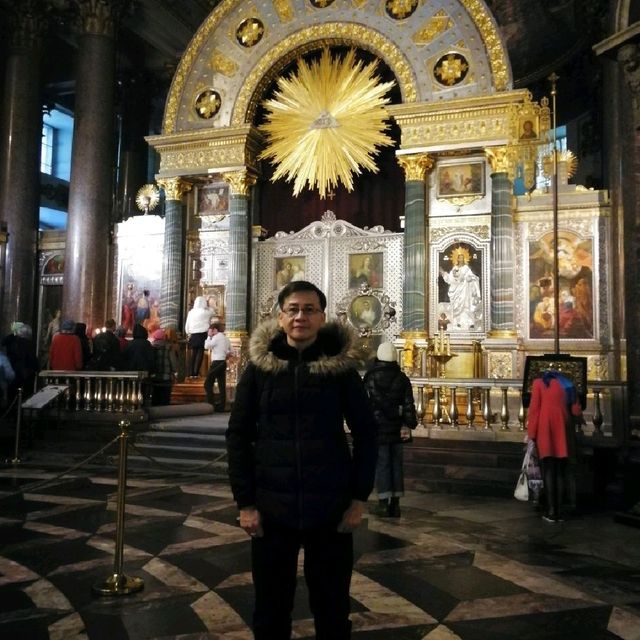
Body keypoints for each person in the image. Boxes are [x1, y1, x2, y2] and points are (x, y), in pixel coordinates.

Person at [226, 280, 377, 640]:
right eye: (293, 309)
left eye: (309, 309)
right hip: (271, 506)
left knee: (332, 607)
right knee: (270, 608)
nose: (300, 317)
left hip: (330, 507)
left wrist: (358, 498)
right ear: (280, 317)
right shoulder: (260, 370)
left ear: (322, 317)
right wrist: (245, 502)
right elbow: (238, 435)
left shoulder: (340, 370)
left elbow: (367, 433)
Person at [364, 342, 417, 518]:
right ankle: (396, 505)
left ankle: (383, 504)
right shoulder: (402, 378)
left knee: (382, 465)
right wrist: (409, 423)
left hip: (378, 428)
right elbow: (409, 405)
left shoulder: (371, 377)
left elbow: (366, 404)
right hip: (396, 428)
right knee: (396, 465)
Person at [527, 370, 583, 522]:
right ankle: (559, 511)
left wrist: (531, 434)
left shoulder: (539, 383)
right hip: (564, 429)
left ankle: (551, 511)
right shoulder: (568, 385)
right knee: (561, 470)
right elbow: (576, 410)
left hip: (546, 428)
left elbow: (534, 410)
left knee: (548, 469)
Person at [440, 252, 482, 329]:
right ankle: (457, 322)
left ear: (464, 259)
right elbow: (450, 279)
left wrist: (469, 278)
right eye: (460, 257)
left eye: (463, 257)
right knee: (457, 306)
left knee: (466, 306)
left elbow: (472, 277)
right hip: (456, 290)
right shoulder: (455, 268)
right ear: (458, 259)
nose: (461, 259)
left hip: (466, 290)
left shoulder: (466, 268)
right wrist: (444, 273)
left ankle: (469, 322)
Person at [204, 322, 232, 411]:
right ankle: (222, 406)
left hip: (216, 363)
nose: (210, 332)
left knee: (207, 383)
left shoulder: (216, 337)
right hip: (223, 363)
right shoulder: (226, 339)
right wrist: (225, 354)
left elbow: (206, 346)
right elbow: (232, 351)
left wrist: (209, 336)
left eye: (211, 330)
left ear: (215, 330)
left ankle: (210, 405)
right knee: (221, 385)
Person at [184, 295, 212, 378]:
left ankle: (191, 373)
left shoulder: (191, 312)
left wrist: (188, 332)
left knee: (193, 354)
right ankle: (196, 373)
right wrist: (208, 303)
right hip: (202, 334)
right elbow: (213, 311)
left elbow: (187, 325)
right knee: (200, 353)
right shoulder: (205, 312)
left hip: (193, 335)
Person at [150, 328, 178, 405]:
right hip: (167, 376)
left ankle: (156, 412)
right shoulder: (169, 347)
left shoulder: (152, 347)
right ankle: (165, 411)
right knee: (165, 397)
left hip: (155, 376)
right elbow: (173, 361)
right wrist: (175, 370)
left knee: (155, 395)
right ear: (163, 337)